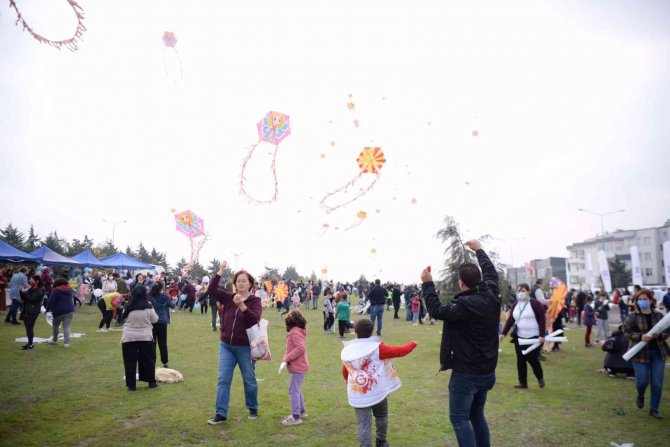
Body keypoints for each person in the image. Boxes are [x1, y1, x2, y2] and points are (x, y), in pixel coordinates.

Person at [421, 239, 500, 447]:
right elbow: (491, 274)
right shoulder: (491, 295)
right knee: (476, 415)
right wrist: (480, 250)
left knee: (459, 418)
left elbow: (437, 310)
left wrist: (428, 284)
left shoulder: (464, 305)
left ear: (462, 283)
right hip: (487, 370)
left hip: (467, 374)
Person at [341, 319, 417, 447]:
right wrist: (412, 344)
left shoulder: (349, 350)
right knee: (381, 416)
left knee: (363, 424)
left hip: (358, 394)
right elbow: (399, 351)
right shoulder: (378, 348)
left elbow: (345, 372)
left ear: (355, 332)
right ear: (372, 332)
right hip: (378, 392)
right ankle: (381, 441)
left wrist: (350, 382)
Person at [206, 261, 262, 424]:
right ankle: (221, 413)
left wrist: (242, 306)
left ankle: (252, 407)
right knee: (223, 379)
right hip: (226, 346)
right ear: (235, 284)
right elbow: (211, 289)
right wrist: (220, 271)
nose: (241, 283)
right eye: (238, 281)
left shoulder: (255, 301)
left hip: (245, 347)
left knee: (249, 380)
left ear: (250, 283)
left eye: (244, 280)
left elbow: (254, 319)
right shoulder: (229, 297)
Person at [623, 289, 670, 419]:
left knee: (657, 383)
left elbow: (668, 330)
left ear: (651, 300)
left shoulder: (659, 316)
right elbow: (626, 331)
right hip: (640, 354)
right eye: (640, 299)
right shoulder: (632, 316)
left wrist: (660, 335)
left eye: (645, 299)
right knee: (642, 381)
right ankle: (641, 394)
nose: (642, 301)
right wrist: (640, 336)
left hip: (658, 353)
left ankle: (654, 408)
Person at [500, 283, 546, 389]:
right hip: (519, 337)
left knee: (532, 359)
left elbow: (542, 319)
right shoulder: (515, 305)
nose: (521, 293)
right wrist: (503, 333)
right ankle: (523, 382)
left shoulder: (535, 304)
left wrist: (542, 335)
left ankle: (540, 377)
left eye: (523, 291)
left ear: (528, 292)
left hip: (533, 337)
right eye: (519, 291)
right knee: (520, 360)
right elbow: (511, 320)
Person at [121, 286, 159, 391]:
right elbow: (155, 320)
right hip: (145, 336)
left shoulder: (128, 306)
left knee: (129, 361)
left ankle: (131, 385)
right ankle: (151, 382)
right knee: (148, 360)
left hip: (129, 336)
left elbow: (122, 318)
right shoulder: (149, 306)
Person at [280, 310, 309, 426]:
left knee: (293, 390)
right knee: (296, 389)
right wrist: (286, 356)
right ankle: (301, 412)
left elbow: (300, 348)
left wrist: (288, 358)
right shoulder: (296, 332)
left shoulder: (294, 333)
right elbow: (291, 348)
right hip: (298, 365)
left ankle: (296, 416)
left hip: (298, 366)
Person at [148, 283, 175, 368]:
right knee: (163, 343)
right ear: (161, 288)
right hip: (162, 322)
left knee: (152, 343)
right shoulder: (165, 297)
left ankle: (152, 362)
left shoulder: (147, 296)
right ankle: (165, 363)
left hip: (150, 321)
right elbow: (172, 305)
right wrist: (174, 299)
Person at [45, 278, 76, 347]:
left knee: (55, 325)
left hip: (58, 311)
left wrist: (47, 310)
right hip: (69, 310)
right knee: (66, 327)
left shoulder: (55, 290)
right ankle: (66, 343)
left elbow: (51, 301)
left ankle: (55, 340)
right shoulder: (70, 289)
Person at [20, 275, 43, 351]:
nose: (30, 281)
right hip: (27, 310)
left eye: (31, 280)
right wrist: (21, 291)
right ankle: (29, 343)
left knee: (30, 327)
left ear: (36, 281)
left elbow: (32, 300)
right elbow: (24, 298)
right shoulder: (31, 288)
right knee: (27, 328)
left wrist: (24, 292)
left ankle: (31, 345)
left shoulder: (39, 291)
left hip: (33, 311)